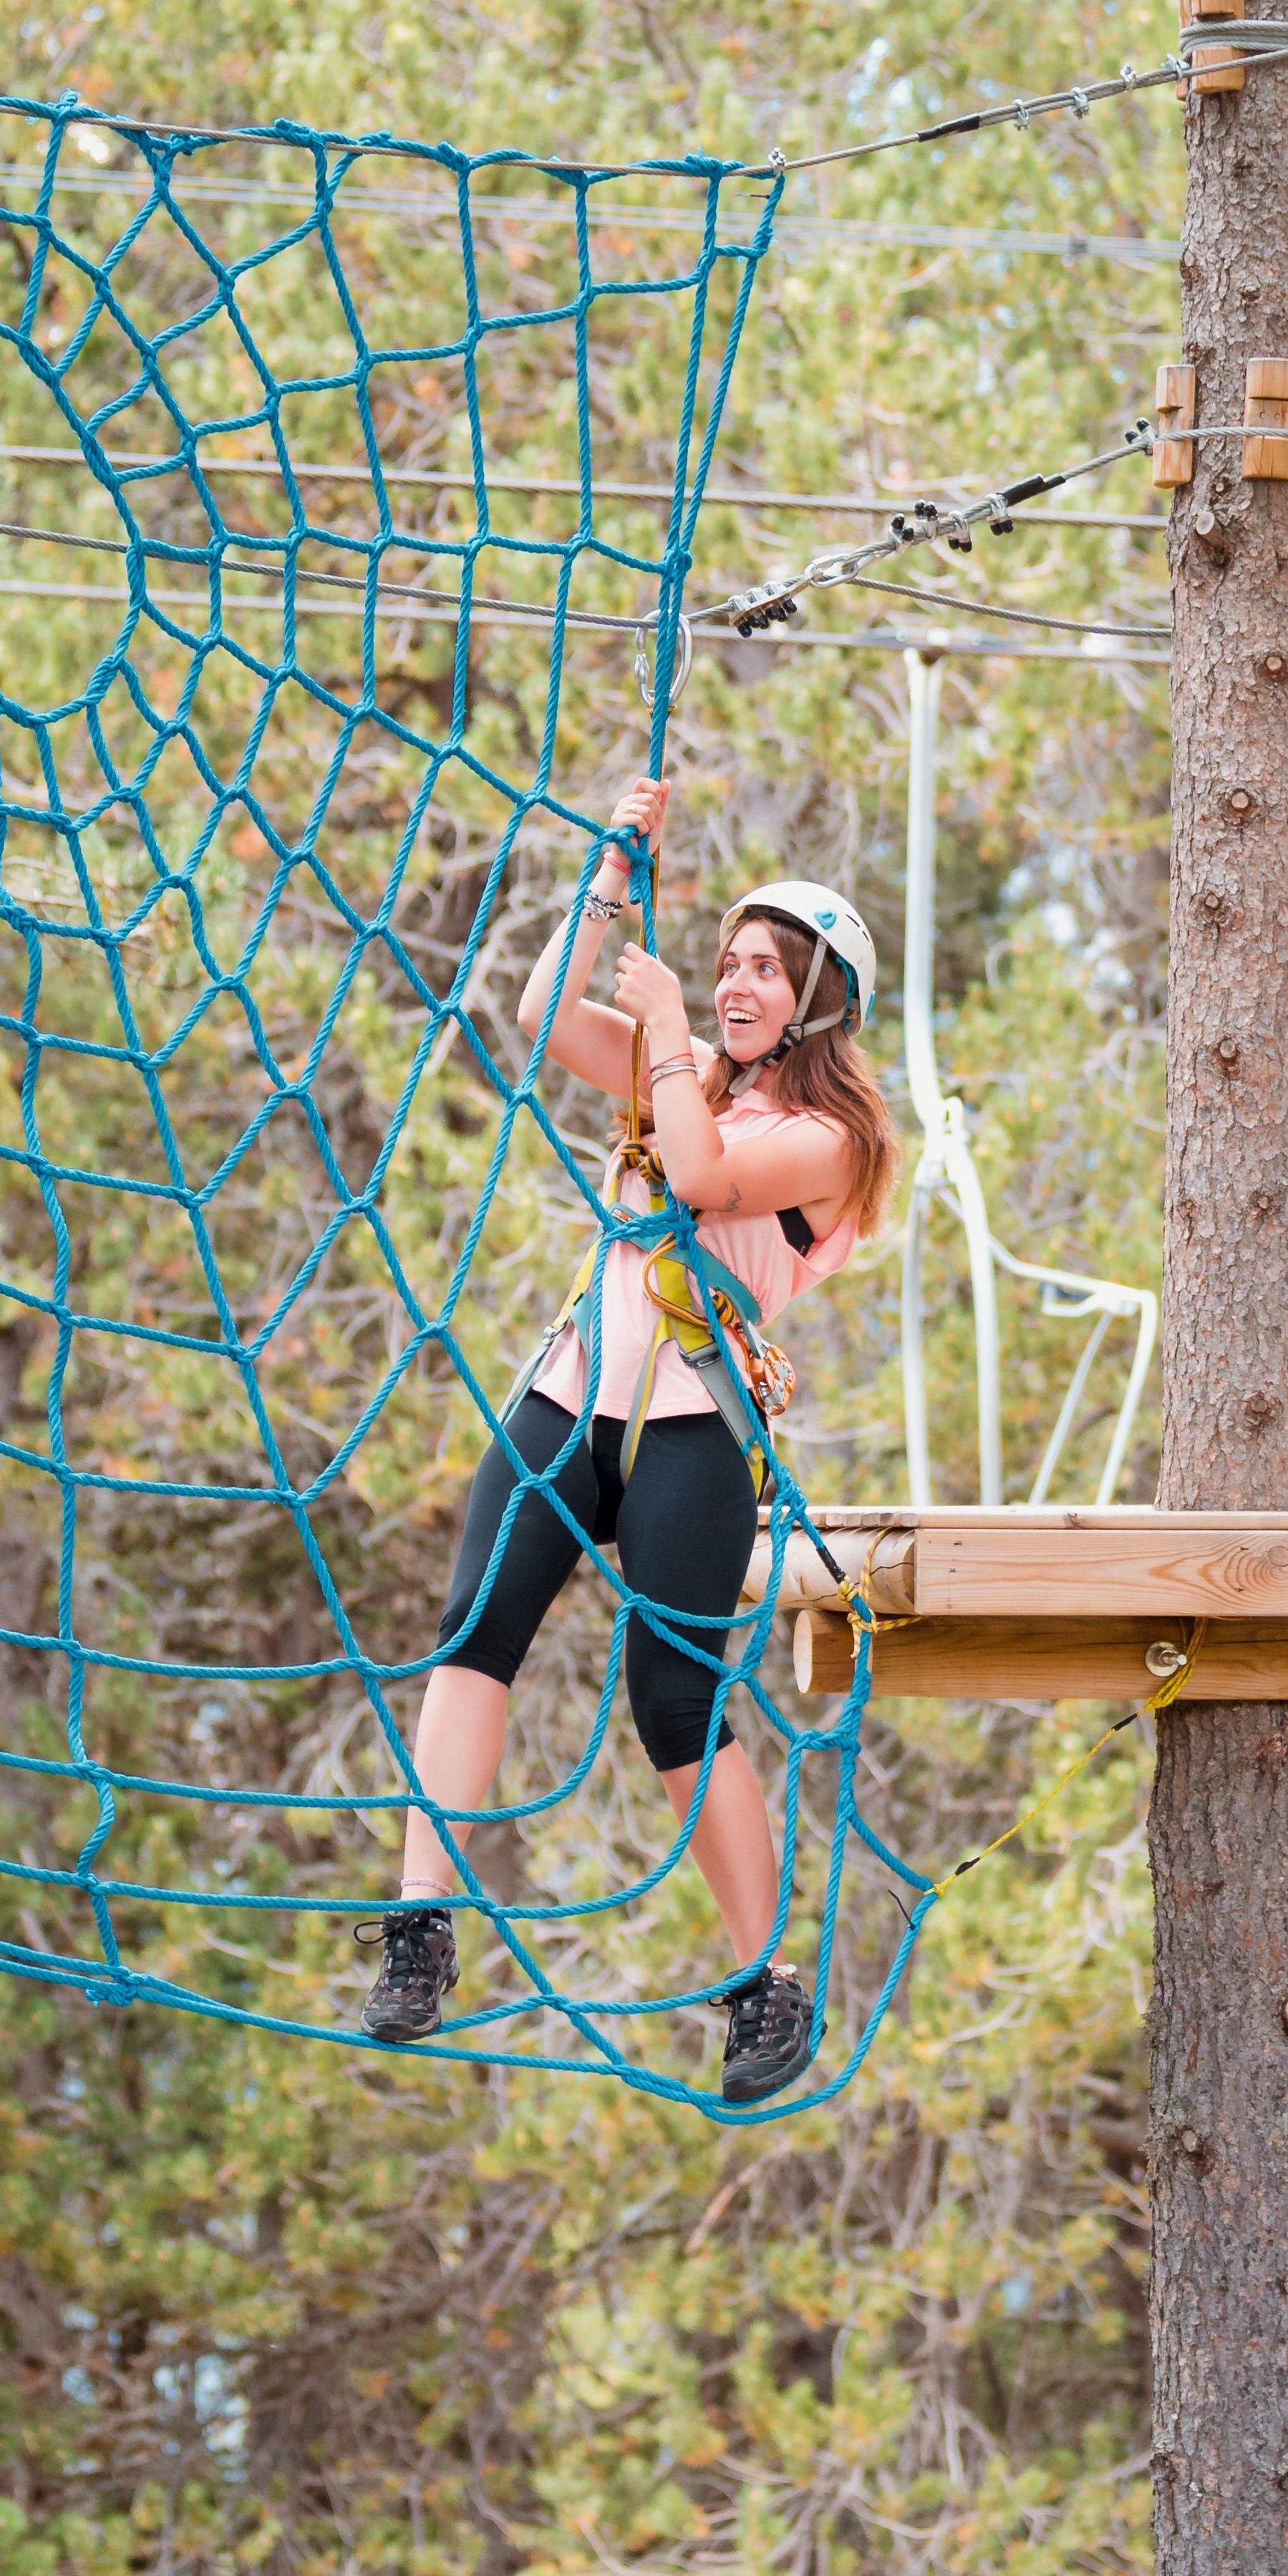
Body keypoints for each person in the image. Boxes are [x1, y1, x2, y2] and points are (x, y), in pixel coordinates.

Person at [358, 772, 893, 2104]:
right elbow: (542, 1021)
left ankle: (761, 1982)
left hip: (693, 1425)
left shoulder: (828, 1136)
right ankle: (423, 1925)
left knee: (673, 1702)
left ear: (820, 997)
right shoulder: (690, 1072)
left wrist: (664, 1027)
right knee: (473, 1628)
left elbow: (708, 1179)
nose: (733, 984)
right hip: (571, 1395)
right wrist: (608, 873)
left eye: (765, 970)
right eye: (725, 964)